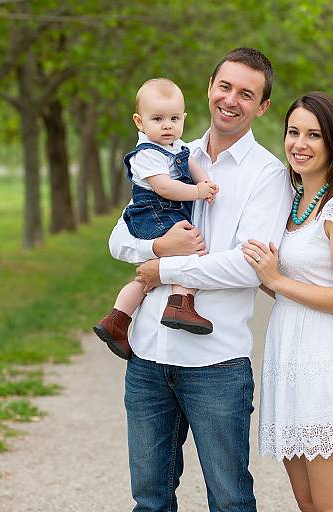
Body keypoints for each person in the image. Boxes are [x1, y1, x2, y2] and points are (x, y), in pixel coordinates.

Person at [109, 48, 293, 511]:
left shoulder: (268, 175)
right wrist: (157, 249)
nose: (232, 100)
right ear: (210, 87)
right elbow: (119, 238)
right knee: (150, 501)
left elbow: (245, 265)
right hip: (149, 356)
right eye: (225, 87)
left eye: (247, 94)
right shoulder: (170, 152)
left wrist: (161, 270)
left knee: (229, 501)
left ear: (262, 106)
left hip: (216, 365)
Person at [242, 92, 333, 512]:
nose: (299, 143)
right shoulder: (292, 202)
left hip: (327, 361)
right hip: (289, 359)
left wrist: (276, 280)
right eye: (293, 132)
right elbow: (286, 282)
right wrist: (261, 276)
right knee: (307, 503)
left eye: (314, 135)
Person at [94, 78, 219, 360]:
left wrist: (207, 181)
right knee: (192, 250)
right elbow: (164, 187)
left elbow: (190, 163)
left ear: (184, 118)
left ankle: (117, 319)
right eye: (158, 119)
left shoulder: (178, 146)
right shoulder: (147, 154)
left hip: (162, 215)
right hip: (154, 215)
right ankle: (180, 303)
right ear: (139, 122)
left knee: (147, 280)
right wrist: (197, 191)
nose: (167, 126)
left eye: (174, 118)